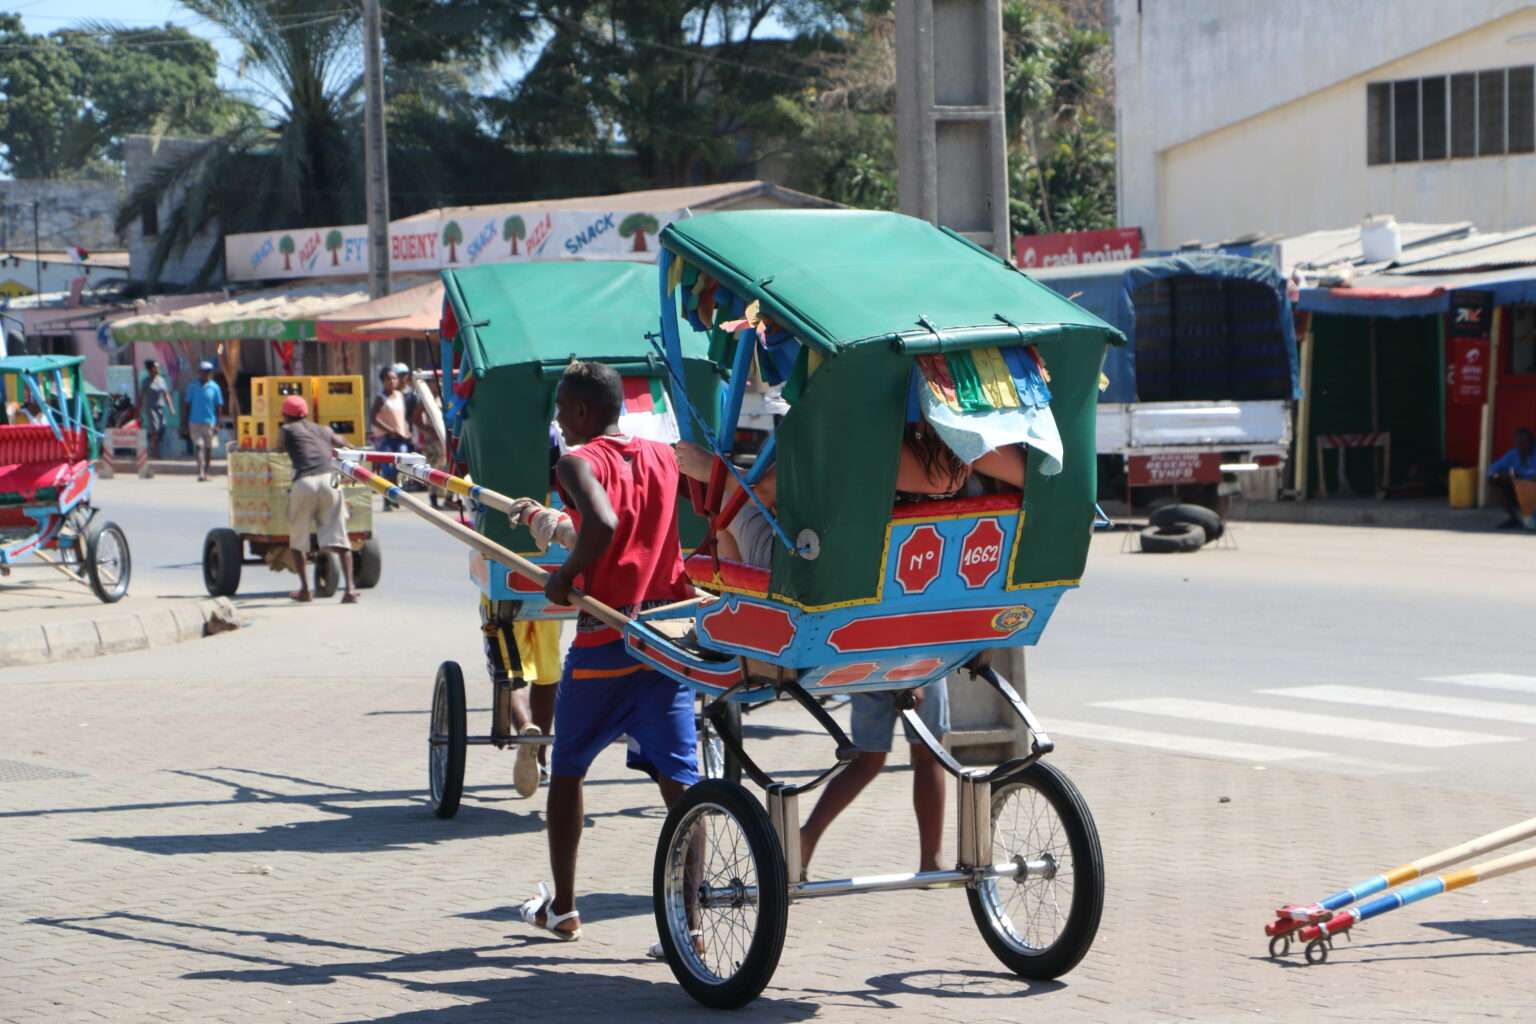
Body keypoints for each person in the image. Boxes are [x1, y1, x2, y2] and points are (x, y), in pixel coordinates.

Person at [675, 422, 1027, 878]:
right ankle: (923, 857)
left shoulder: (858, 442)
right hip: (929, 616)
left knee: (728, 506)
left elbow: (761, 493)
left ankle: (729, 606)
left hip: (852, 621)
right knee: (909, 750)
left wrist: (714, 471)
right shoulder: (971, 455)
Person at [508, 360, 697, 942]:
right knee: (683, 788)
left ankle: (563, 909)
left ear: (585, 411)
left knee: (567, 769)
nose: (559, 420)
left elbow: (606, 523)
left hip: (605, 644)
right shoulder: (663, 455)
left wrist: (565, 577)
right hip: (666, 642)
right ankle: (689, 927)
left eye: (563, 409)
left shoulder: (577, 460)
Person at [279, 394, 358, 604]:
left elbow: (277, 450)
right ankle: (349, 590)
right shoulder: (323, 429)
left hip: (304, 482)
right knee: (340, 536)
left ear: (285, 415)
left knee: (298, 539)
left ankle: (305, 590)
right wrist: (355, 451)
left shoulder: (287, 430)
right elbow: (342, 443)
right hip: (329, 480)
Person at [368, 365, 412, 509]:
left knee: (401, 464)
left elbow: (401, 417)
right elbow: (373, 418)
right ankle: (388, 499)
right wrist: (390, 430)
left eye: (394, 378)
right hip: (385, 438)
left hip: (401, 437)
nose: (392, 382)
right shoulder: (380, 398)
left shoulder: (399, 395)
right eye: (388, 379)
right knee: (388, 469)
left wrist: (406, 430)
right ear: (383, 381)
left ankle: (395, 495)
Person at [1487, 427, 1536, 529]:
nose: (1521, 446)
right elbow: (1492, 469)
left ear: (1531, 442)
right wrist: (1499, 475)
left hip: (1533, 489)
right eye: (1518, 443)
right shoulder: (1513, 454)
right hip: (1520, 490)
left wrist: (1524, 477)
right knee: (1494, 480)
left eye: (1524, 442)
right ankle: (1513, 518)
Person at [184, 360, 224, 481]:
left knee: (208, 448)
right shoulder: (192, 386)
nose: (205, 374)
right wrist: (184, 422)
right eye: (203, 371)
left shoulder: (215, 387)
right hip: (195, 422)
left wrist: (218, 423)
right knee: (199, 446)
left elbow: (219, 406)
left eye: (208, 372)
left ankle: (206, 471)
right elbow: (187, 405)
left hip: (209, 422)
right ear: (199, 372)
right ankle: (201, 472)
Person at [136, 359, 173, 459]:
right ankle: (155, 453)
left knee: (162, 428)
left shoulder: (161, 380)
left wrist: (171, 408)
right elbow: (141, 396)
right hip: (150, 409)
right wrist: (138, 411)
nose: (157, 368)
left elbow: (166, 394)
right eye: (155, 367)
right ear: (150, 369)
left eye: (157, 367)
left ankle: (153, 446)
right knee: (155, 430)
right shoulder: (146, 381)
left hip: (160, 408)